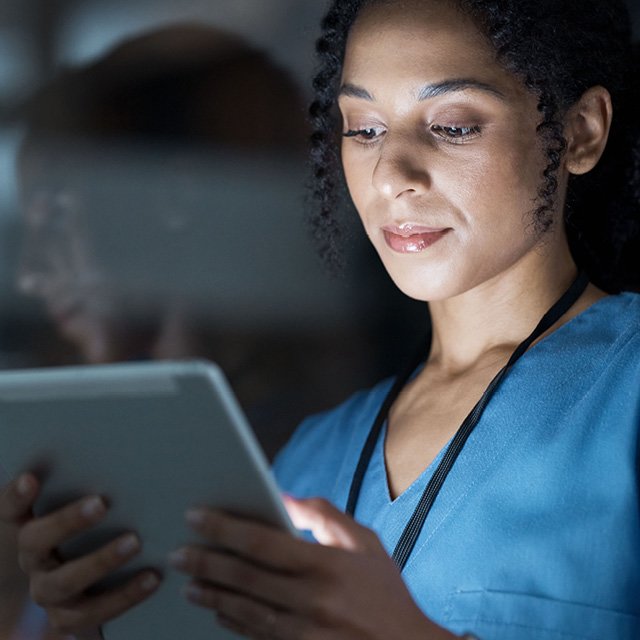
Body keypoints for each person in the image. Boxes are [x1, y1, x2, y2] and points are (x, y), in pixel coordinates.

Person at [1, 0, 639, 638]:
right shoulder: (310, 460)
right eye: (363, 129)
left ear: (580, 131)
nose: (392, 173)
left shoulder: (625, 389)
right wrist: (85, 626)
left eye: (453, 125)